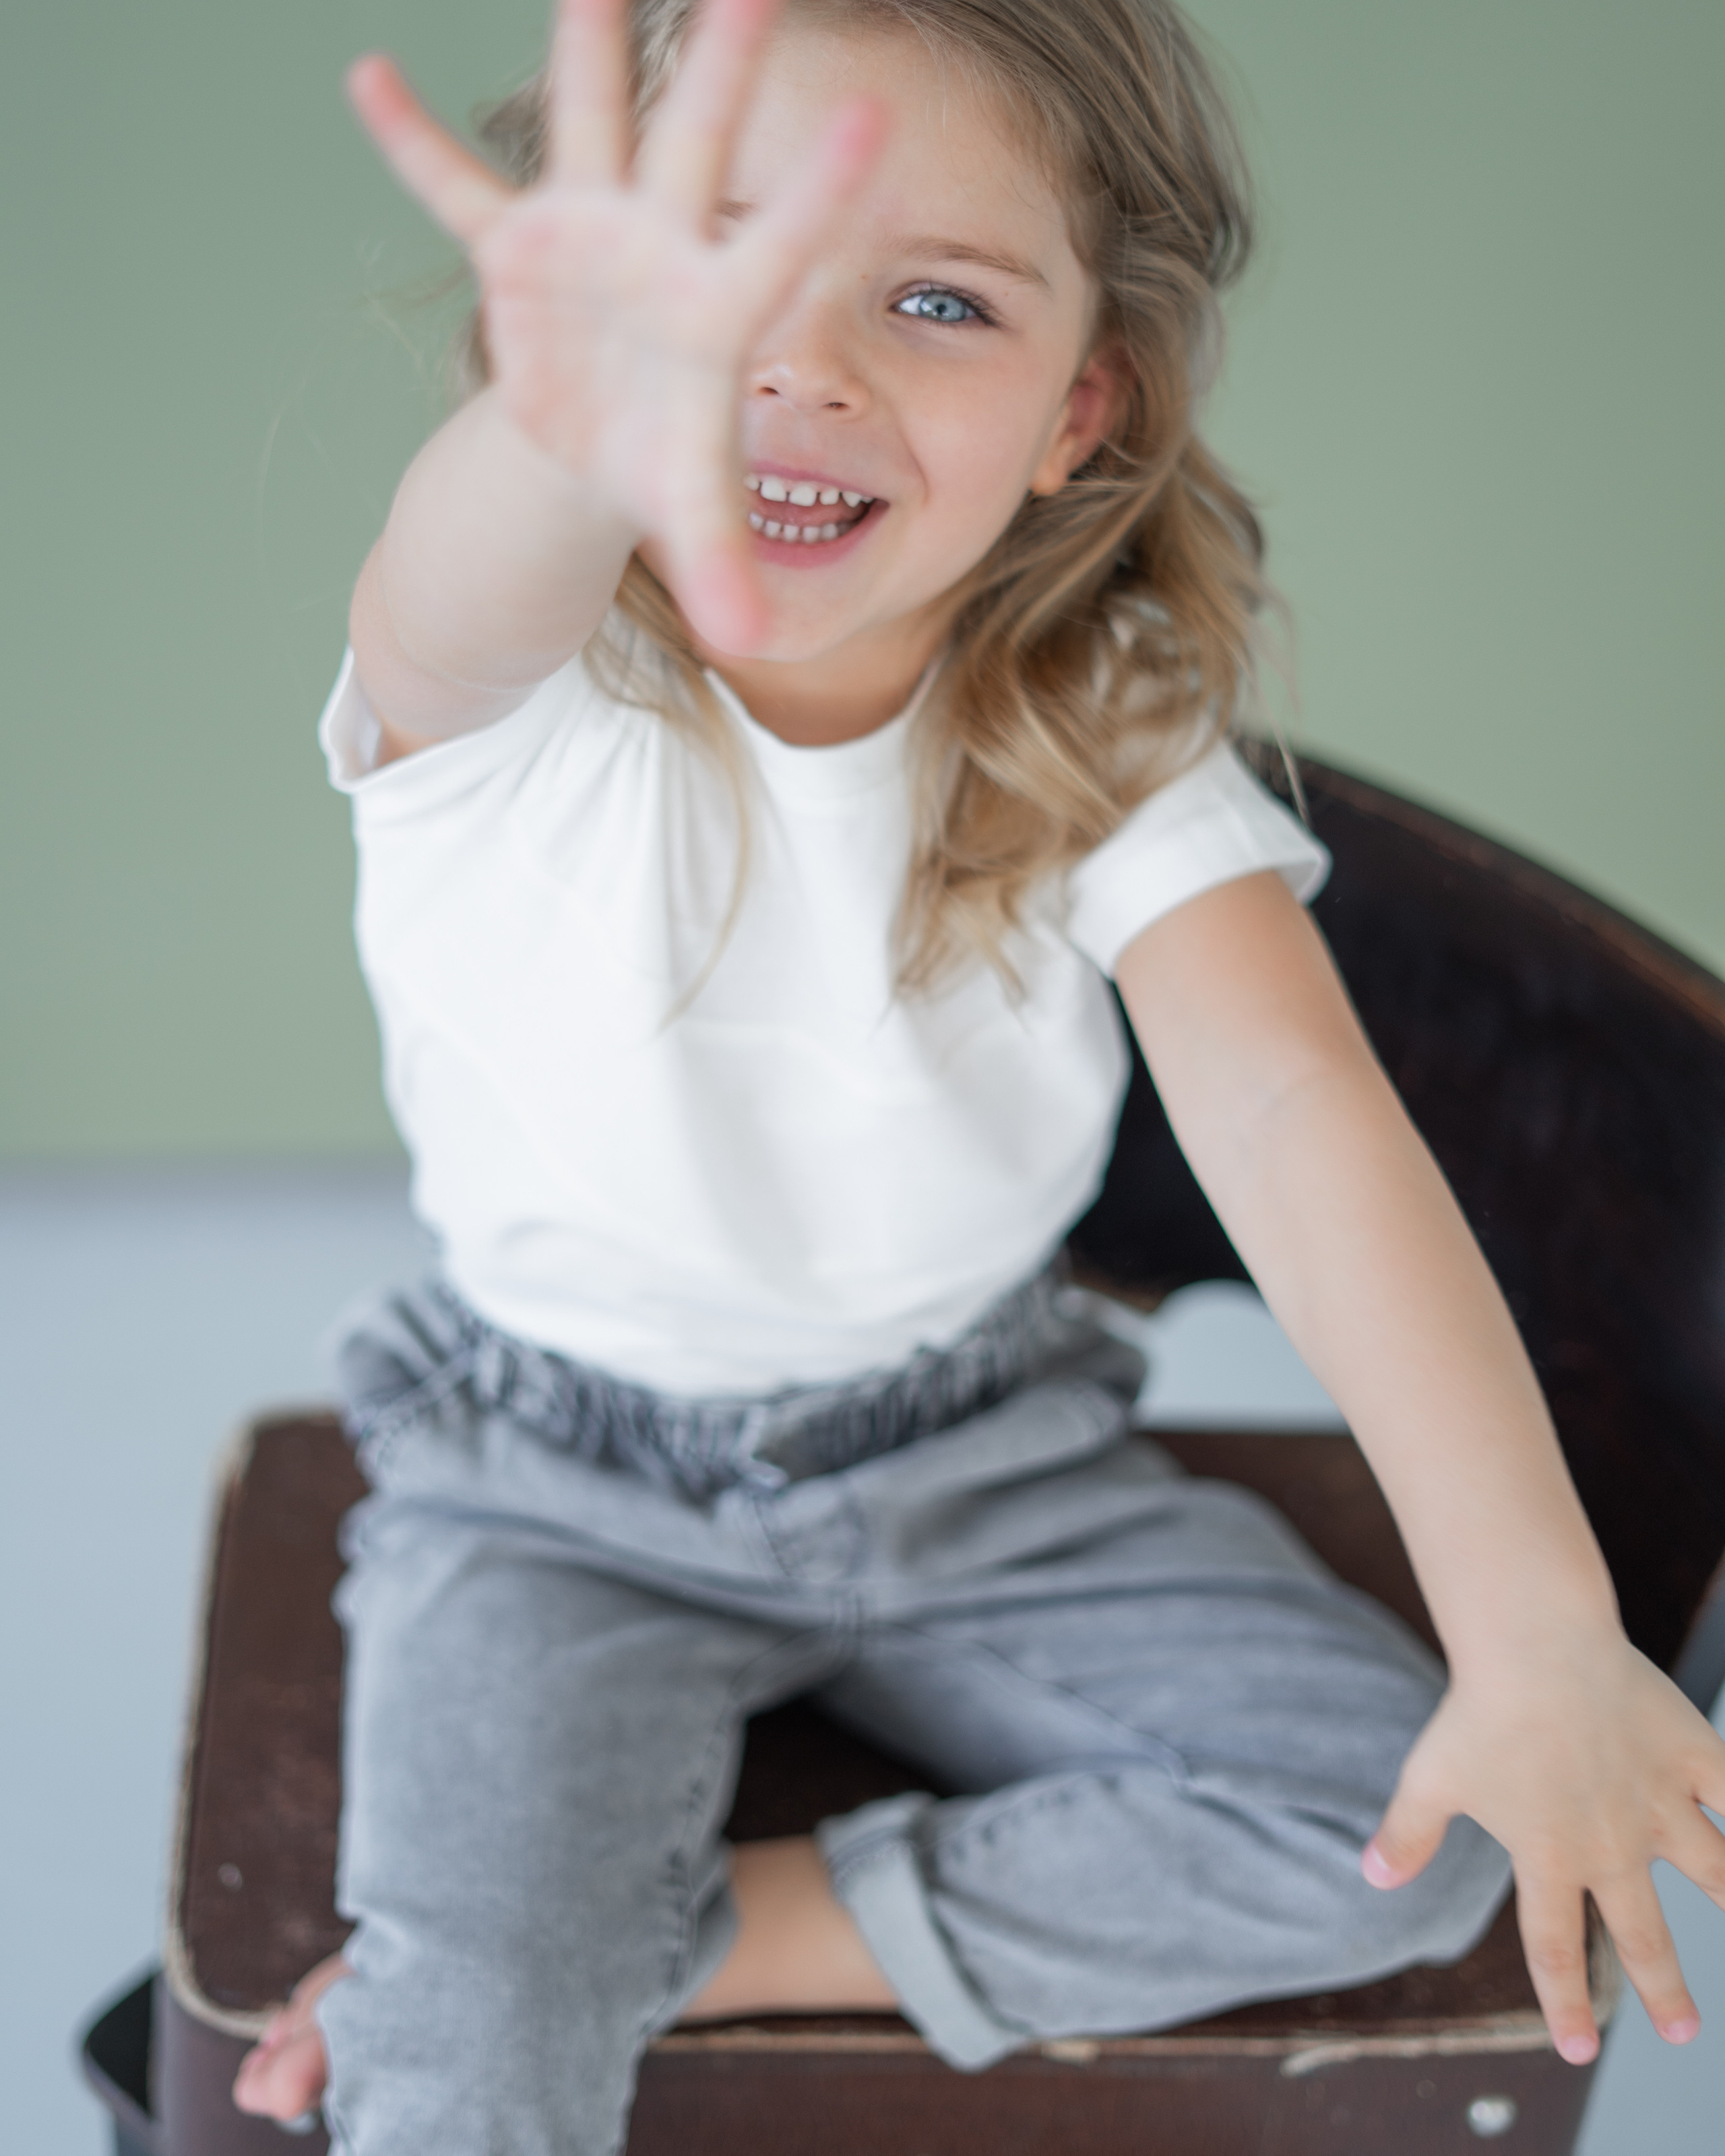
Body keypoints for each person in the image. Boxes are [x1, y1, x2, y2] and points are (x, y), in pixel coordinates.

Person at [232, 0, 1725, 2146]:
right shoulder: (506, 693)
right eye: (719, 273)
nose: (802, 365)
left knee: (1417, 1835)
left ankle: (704, 1940)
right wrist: (572, 423)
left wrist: (1543, 1630)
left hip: (978, 1444)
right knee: (451, 2064)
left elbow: (1304, 1123)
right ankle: (550, 1959)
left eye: (936, 300)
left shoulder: (1094, 716)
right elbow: (459, 573)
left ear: (1074, 412)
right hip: (547, 1485)